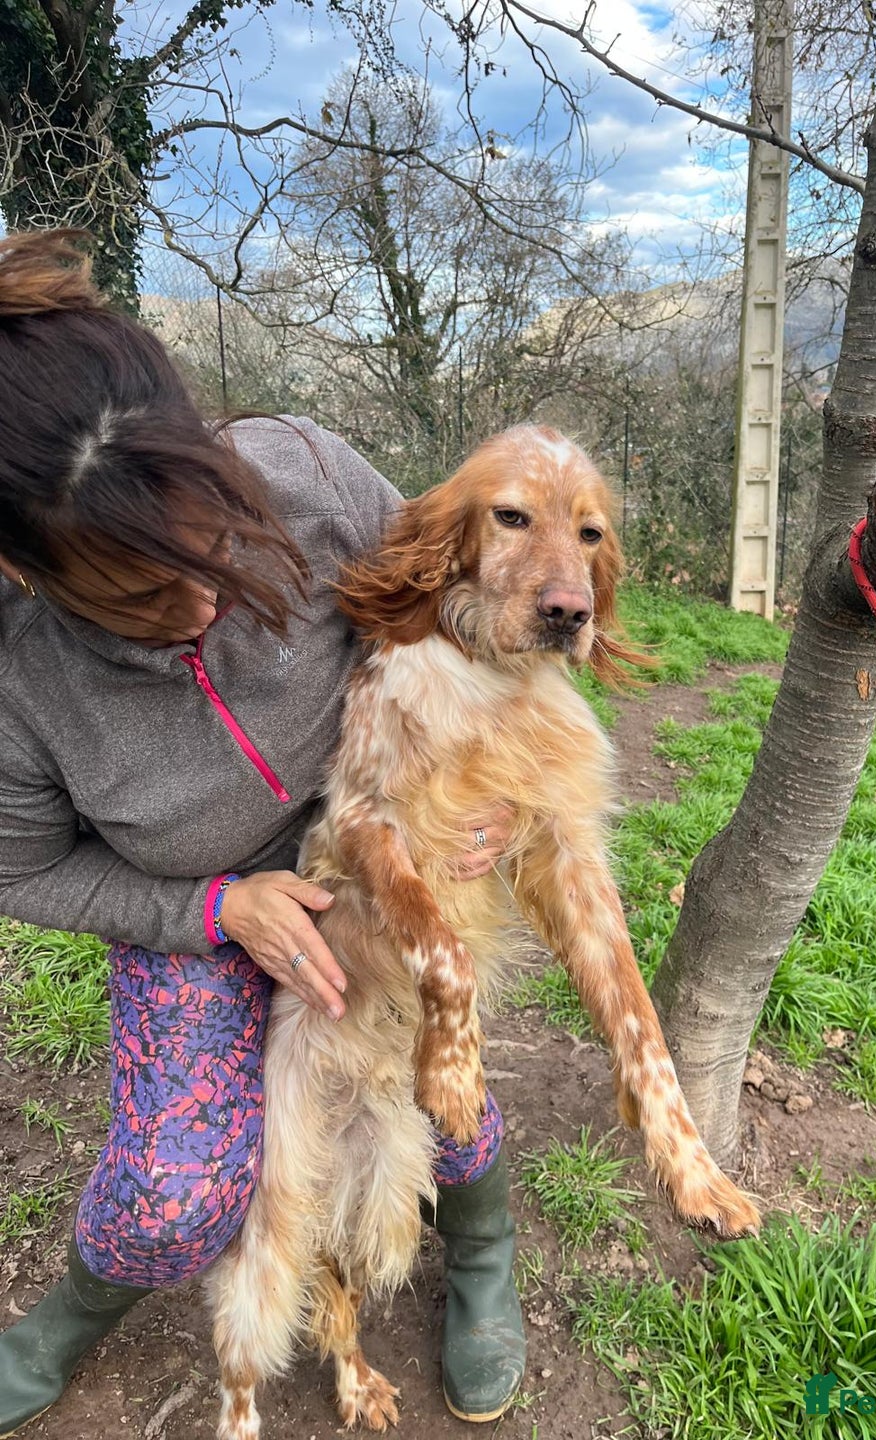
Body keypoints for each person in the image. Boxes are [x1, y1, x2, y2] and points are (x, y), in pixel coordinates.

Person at [0, 230, 526, 1434]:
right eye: (135, 596)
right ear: (27, 573)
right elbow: (18, 868)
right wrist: (210, 911)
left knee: (433, 1071)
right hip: (197, 910)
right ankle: (73, 1314)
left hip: (371, 847)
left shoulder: (303, 471)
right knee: (177, 1191)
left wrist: (473, 781)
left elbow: (446, 618)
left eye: (211, 547)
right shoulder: (18, 678)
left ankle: (482, 1250)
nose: (199, 602)